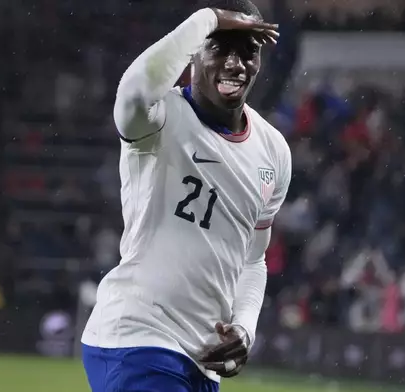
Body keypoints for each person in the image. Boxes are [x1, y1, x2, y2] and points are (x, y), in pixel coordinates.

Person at [81, 1, 290, 391]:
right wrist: (207, 19)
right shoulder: (160, 118)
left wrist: (245, 326)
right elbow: (133, 91)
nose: (235, 63)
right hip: (138, 337)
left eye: (248, 50)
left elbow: (253, 259)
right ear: (194, 49)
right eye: (219, 46)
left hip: (202, 361)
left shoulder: (274, 151)